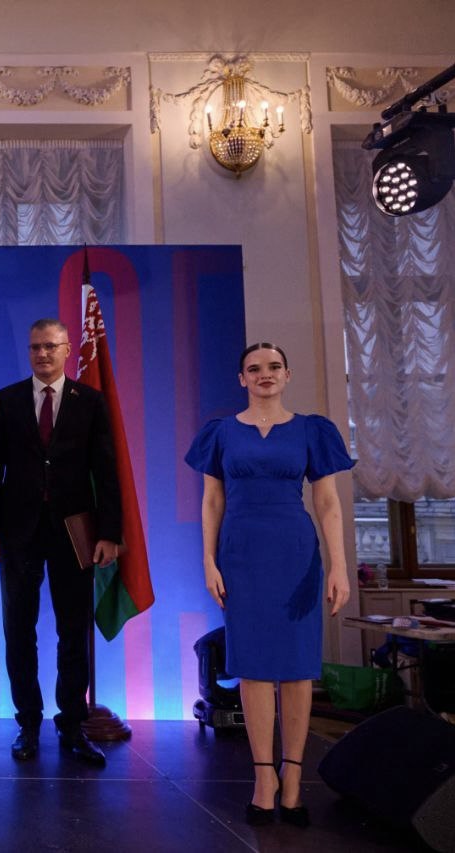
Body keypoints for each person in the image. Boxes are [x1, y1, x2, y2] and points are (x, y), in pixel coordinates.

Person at [184, 342, 352, 828]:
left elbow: (328, 503)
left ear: (287, 374)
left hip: (295, 554)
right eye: (254, 368)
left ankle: (293, 777)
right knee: (253, 666)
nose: (265, 374)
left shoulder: (312, 430)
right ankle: (264, 780)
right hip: (240, 556)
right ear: (241, 378)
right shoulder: (220, 432)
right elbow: (212, 501)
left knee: (297, 668)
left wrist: (339, 566)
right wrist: (208, 560)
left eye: (274, 366)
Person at [0, 318, 121, 768]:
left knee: (73, 630)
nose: (42, 354)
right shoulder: (7, 399)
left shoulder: (90, 401)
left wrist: (110, 533)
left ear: (67, 350)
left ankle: (72, 724)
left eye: (51, 346)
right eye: (36, 347)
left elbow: (106, 470)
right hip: (17, 531)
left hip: (74, 532)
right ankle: (28, 722)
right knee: (18, 628)